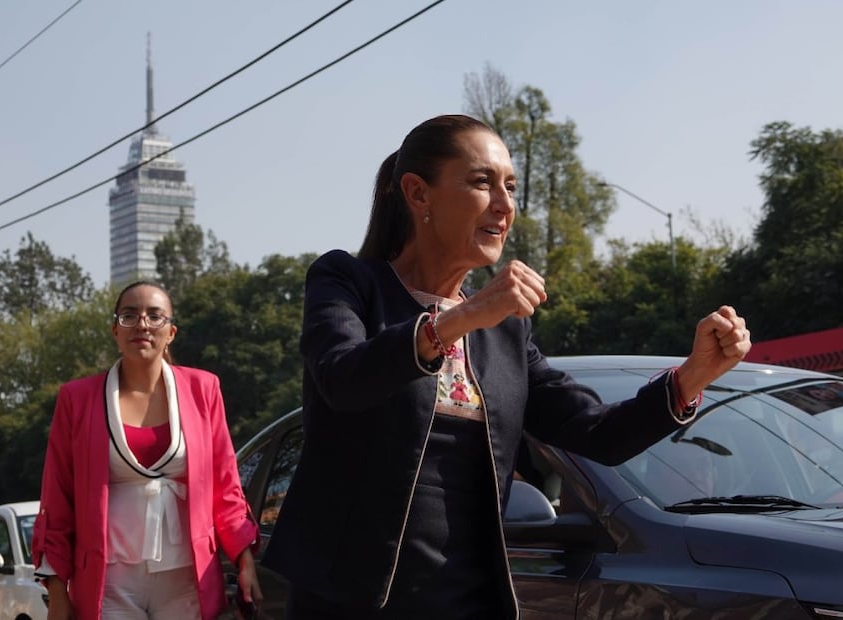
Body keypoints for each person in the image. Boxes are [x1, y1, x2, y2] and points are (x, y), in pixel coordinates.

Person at [261, 114, 752, 619]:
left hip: (470, 599)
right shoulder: (347, 281)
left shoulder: (505, 330)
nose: (504, 205)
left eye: (511, 188)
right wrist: (459, 317)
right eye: (481, 182)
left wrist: (693, 375)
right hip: (349, 600)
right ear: (418, 194)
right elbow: (342, 379)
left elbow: (597, 432)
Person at [31, 281, 262, 620]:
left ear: (171, 332)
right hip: (108, 578)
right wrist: (57, 589)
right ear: (114, 330)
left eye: (154, 316)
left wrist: (245, 560)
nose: (141, 324)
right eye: (129, 316)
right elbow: (58, 497)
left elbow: (226, 486)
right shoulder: (76, 399)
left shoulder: (204, 389)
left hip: (187, 573)